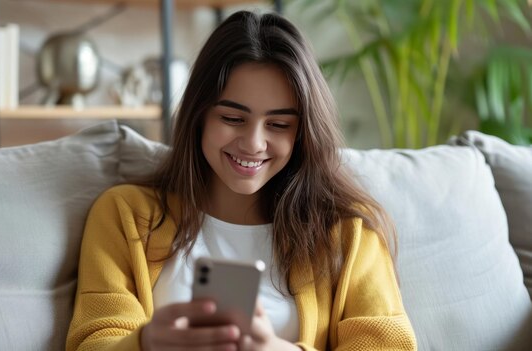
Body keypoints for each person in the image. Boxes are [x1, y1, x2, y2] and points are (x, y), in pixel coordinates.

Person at [66, 10, 417, 351]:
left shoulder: (348, 233)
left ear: (303, 134)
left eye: (279, 125)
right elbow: (94, 339)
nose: (253, 143)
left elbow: (389, 345)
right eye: (233, 118)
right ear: (199, 115)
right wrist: (146, 343)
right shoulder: (126, 215)